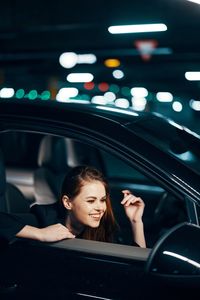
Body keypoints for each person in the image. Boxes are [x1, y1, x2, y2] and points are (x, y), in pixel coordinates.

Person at [0, 165, 146, 248]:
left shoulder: (99, 227)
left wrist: (136, 222)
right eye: (91, 201)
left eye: (102, 200)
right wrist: (40, 234)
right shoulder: (44, 217)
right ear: (67, 203)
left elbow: (130, 266)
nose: (100, 208)